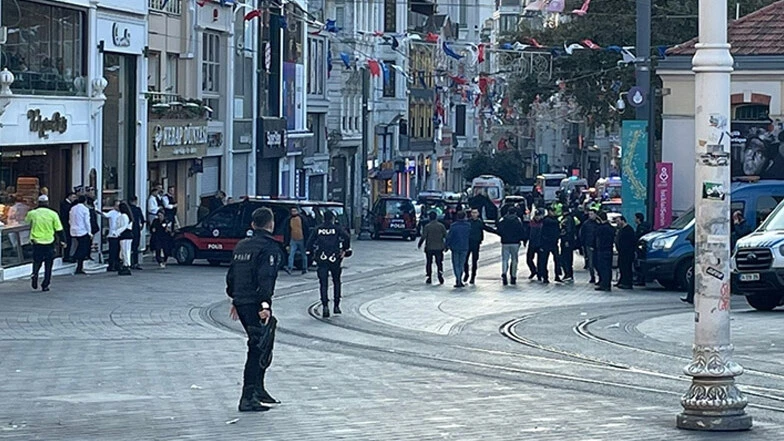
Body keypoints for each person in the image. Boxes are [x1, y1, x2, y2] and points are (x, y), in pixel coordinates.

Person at [226, 207, 283, 412]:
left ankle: (258, 389)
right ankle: (248, 396)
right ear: (271, 224)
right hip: (255, 303)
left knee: (262, 342)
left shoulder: (242, 245)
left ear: (252, 225)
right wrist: (265, 305)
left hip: (241, 301)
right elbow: (266, 278)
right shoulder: (268, 248)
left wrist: (234, 298)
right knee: (258, 345)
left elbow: (232, 275)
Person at [307, 210, 351, 317]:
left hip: (321, 259)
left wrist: (312, 254)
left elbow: (309, 243)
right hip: (334, 258)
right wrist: (345, 249)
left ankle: (325, 306)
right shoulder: (336, 229)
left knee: (323, 283)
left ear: (323, 218)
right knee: (336, 281)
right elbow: (347, 237)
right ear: (332, 218)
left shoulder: (318, 229)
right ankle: (336, 305)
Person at [25, 195, 65, 291]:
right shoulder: (53, 214)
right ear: (47, 203)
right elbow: (59, 229)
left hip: (36, 241)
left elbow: (26, 223)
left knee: (37, 261)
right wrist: (63, 240)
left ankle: (35, 274)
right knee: (48, 264)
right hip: (49, 241)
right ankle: (45, 284)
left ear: (38, 203)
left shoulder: (32, 213)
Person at [492, 206, 523, 285]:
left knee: (505, 259)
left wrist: (503, 236)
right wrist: (521, 239)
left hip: (505, 242)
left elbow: (499, 229)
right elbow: (521, 231)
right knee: (514, 260)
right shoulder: (518, 220)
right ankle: (513, 276)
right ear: (515, 213)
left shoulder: (503, 220)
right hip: (515, 243)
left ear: (507, 212)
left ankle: (504, 273)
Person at [418, 211, 447, 285]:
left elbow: (423, 236)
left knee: (429, 262)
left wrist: (420, 244)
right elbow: (446, 236)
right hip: (439, 248)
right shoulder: (441, 226)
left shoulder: (427, 226)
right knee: (439, 262)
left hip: (429, 247)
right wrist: (446, 246)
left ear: (429, 217)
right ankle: (440, 273)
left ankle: (429, 277)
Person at [69, 196, 93, 274]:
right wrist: (89, 232)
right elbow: (87, 222)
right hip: (82, 231)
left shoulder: (73, 208)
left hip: (73, 230)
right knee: (83, 248)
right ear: (85, 201)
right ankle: (78, 262)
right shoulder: (85, 209)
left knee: (78, 245)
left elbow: (70, 220)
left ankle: (76, 259)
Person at [538, 207, 561, 284]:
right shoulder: (549, 221)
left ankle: (554, 275)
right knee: (547, 260)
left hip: (552, 243)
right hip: (547, 243)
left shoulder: (547, 220)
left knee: (554, 260)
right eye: (552, 211)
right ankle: (548, 276)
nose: (553, 213)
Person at [283, 207, 308, 275]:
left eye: (295, 211)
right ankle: (290, 267)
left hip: (301, 239)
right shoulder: (289, 219)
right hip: (293, 239)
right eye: (292, 211)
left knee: (303, 255)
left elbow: (306, 229)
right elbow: (287, 231)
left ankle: (304, 268)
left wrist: (306, 240)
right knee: (291, 254)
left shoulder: (302, 219)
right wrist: (286, 242)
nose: (293, 212)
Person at [595, 212, 615, 292]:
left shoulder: (601, 228)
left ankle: (604, 284)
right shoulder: (610, 227)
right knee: (608, 268)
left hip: (602, 250)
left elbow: (596, 235)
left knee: (603, 268)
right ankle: (607, 284)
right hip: (609, 249)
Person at [463, 208, 485, 285]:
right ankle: (466, 273)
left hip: (476, 243)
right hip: (468, 243)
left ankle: (473, 276)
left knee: (474, 261)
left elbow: (486, 228)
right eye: (473, 213)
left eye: (475, 213)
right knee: (465, 260)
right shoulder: (468, 222)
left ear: (478, 214)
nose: (474, 214)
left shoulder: (479, 222)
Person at [113, 202, 134, 276]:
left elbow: (123, 226)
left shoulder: (124, 216)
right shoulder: (127, 216)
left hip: (125, 235)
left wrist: (116, 232)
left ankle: (126, 265)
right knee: (125, 251)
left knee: (125, 251)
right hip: (127, 235)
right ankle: (126, 264)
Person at [615, 216, 636, 290]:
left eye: (618, 221)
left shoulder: (628, 230)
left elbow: (631, 242)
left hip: (627, 253)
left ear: (623, 221)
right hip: (622, 252)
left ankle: (627, 283)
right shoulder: (621, 230)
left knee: (626, 268)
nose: (617, 223)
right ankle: (622, 281)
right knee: (622, 267)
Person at [580, 209, 600, 284]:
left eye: (592, 214)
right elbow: (582, 234)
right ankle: (592, 277)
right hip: (588, 244)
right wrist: (583, 244)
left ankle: (600, 276)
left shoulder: (598, 223)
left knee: (597, 262)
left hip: (597, 245)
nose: (590, 216)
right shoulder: (586, 224)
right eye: (589, 214)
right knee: (591, 262)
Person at [558, 208, 579, 283]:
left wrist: (566, 240)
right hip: (568, 241)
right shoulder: (570, 218)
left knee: (566, 258)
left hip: (567, 241)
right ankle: (568, 274)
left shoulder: (567, 219)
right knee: (567, 258)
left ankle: (568, 274)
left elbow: (568, 230)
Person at [105, 200, 122, 272]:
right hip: (112, 234)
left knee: (118, 251)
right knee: (112, 251)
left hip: (119, 234)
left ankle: (117, 265)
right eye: (117, 206)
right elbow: (105, 215)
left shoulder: (121, 213)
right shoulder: (112, 213)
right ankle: (111, 265)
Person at [59, 192, 77, 262]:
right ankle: (66, 256)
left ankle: (68, 255)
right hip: (65, 225)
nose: (74, 199)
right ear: (69, 197)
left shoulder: (71, 205)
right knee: (67, 240)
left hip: (69, 225)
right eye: (73, 197)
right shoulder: (65, 205)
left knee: (69, 240)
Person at [526, 210, 543, 280]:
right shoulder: (531, 223)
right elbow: (527, 232)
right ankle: (533, 270)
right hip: (532, 243)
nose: (537, 217)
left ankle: (539, 273)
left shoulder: (543, 223)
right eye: (536, 216)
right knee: (529, 259)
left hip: (540, 244)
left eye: (539, 216)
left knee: (540, 260)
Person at [129, 196, 145, 270]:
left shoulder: (128, 209)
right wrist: (141, 226)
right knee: (135, 246)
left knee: (128, 247)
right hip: (136, 229)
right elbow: (142, 219)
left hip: (129, 229)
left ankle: (128, 262)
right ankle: (135, 262)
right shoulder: (137, 209)